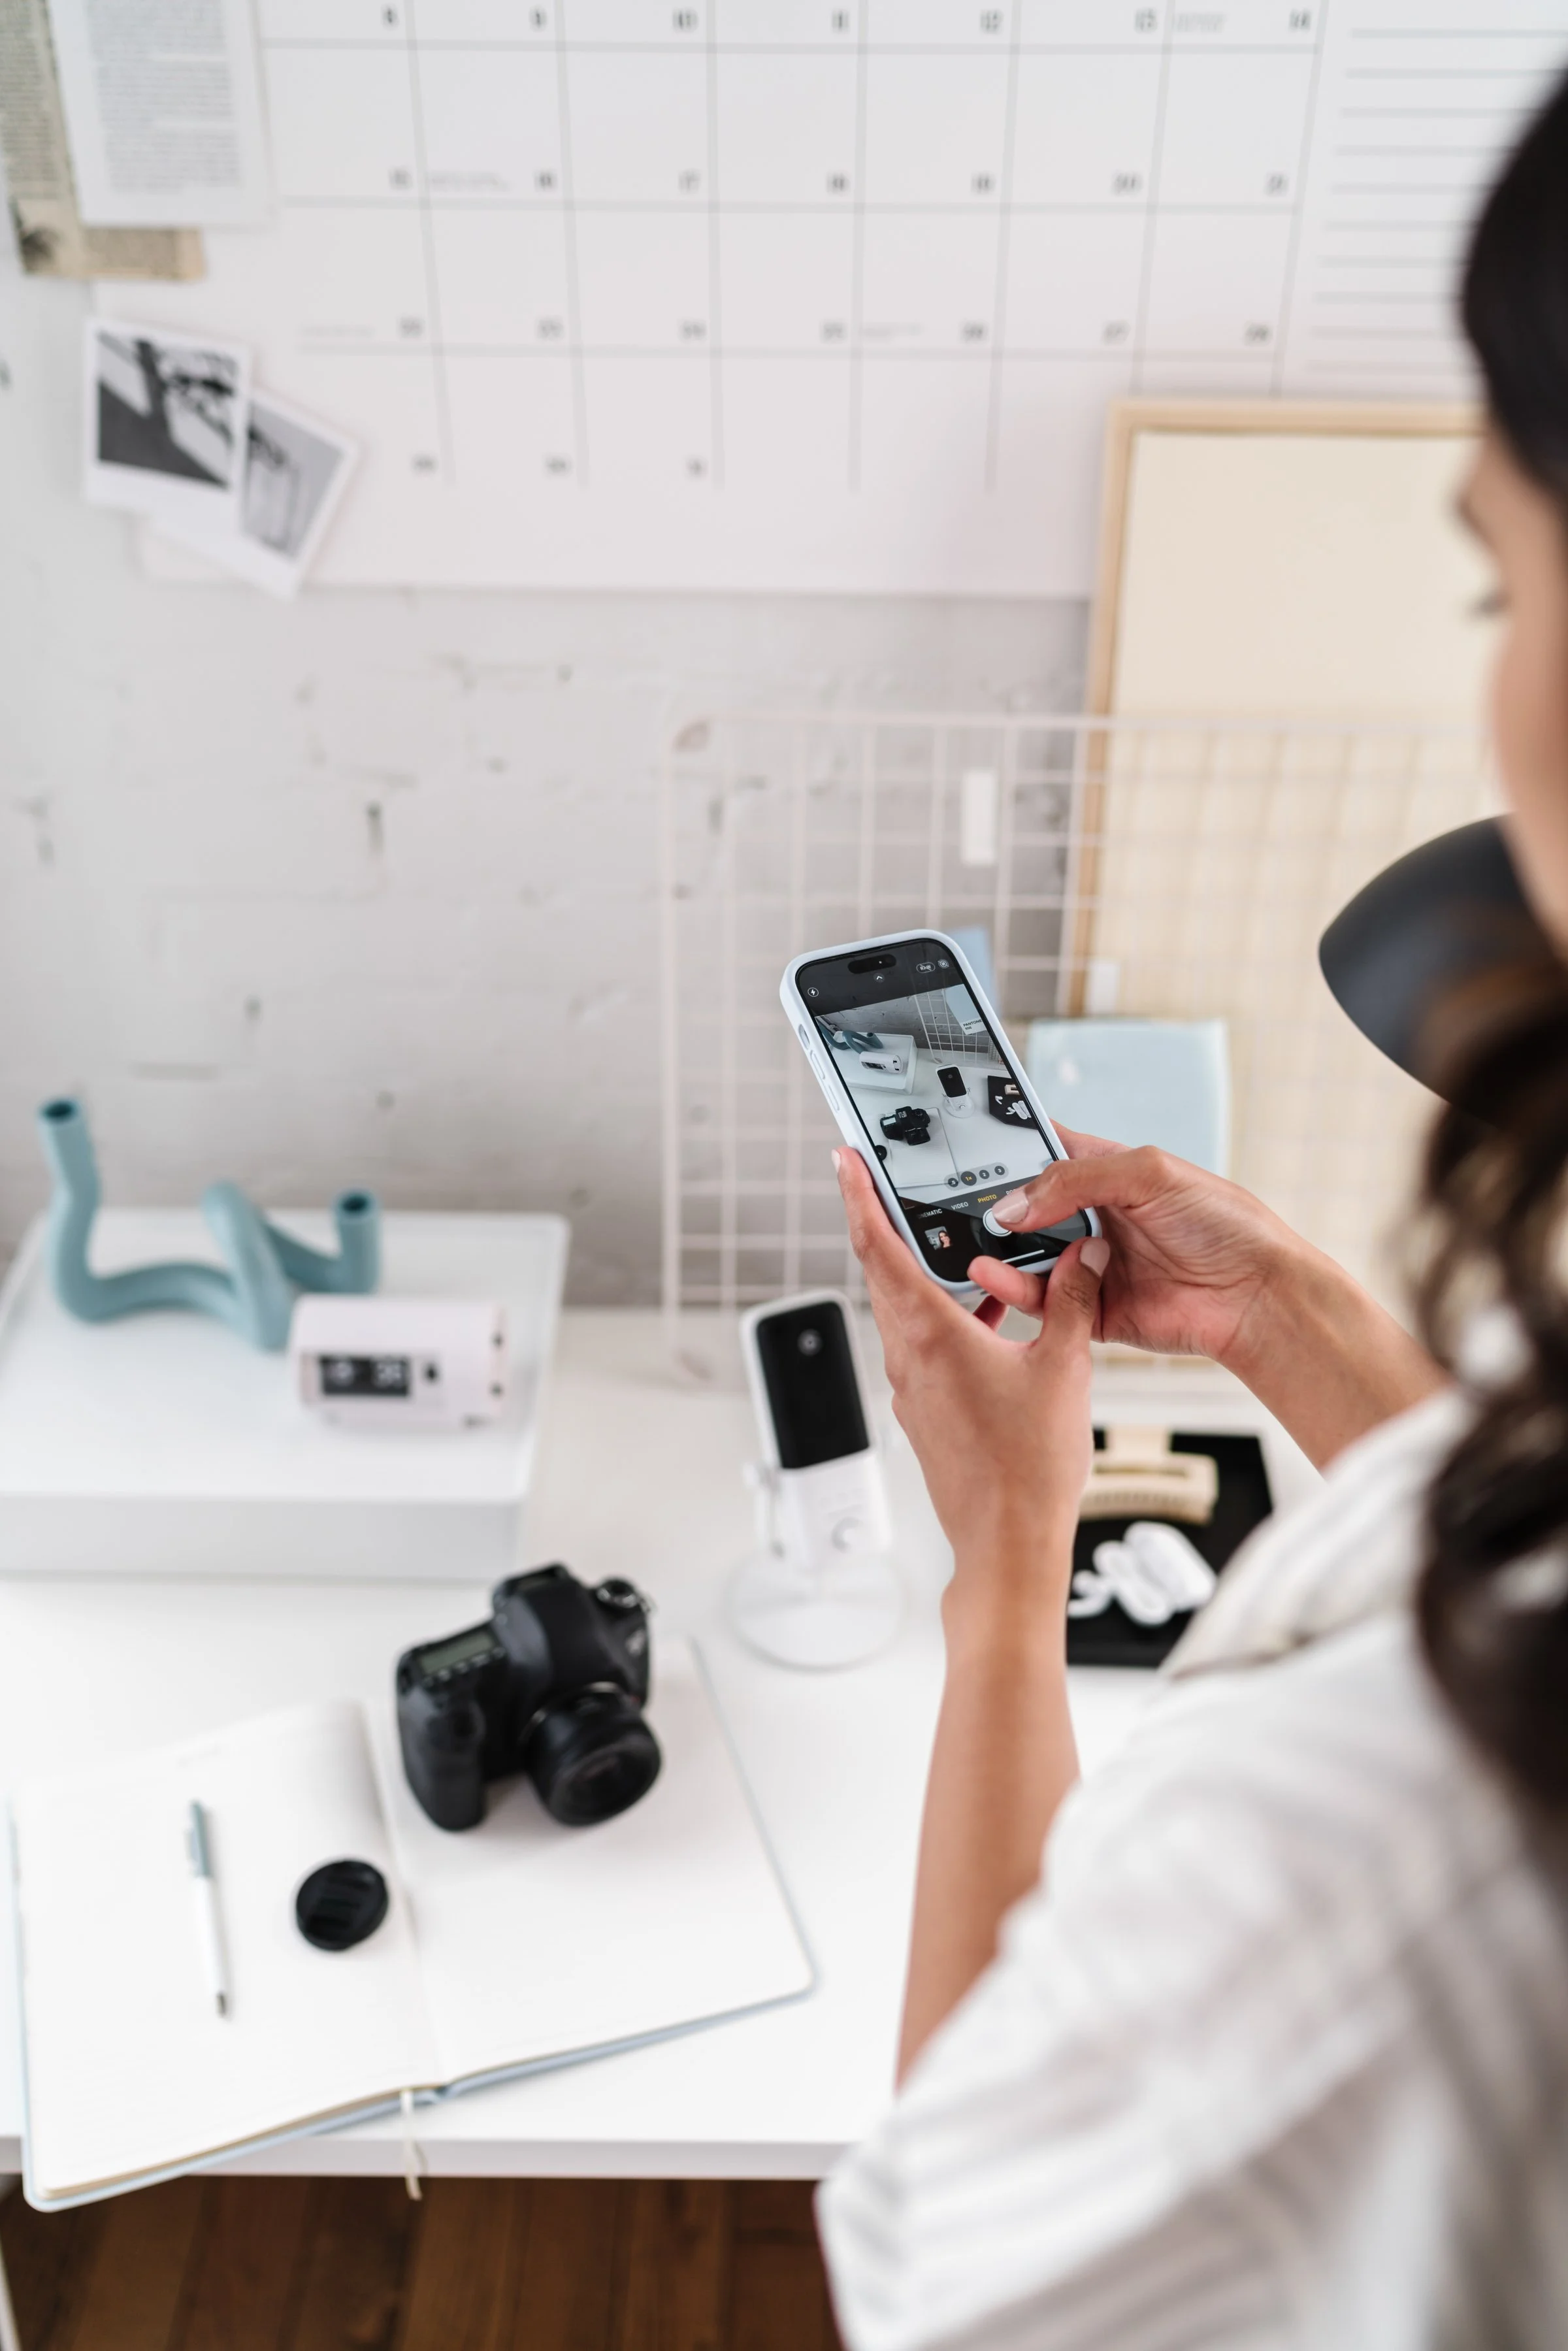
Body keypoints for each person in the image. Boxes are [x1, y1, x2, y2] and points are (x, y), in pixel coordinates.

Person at [817, 77, 1568, 2351]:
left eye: (1501, 569)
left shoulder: (1394, 1865)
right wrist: (1307, 1332)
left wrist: (1000, 1578)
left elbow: (956, 2276)